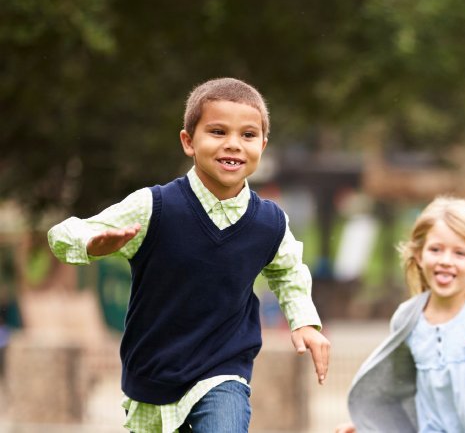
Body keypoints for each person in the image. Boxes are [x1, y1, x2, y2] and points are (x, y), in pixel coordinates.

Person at [47, 78, 330, 432]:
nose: (233, 145)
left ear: (263, 144)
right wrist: (91, 244)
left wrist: (304, 321)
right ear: (188, 141)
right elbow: (64, 233)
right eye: (217, 131)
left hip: (224, 370)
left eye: (248, 135)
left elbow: (288, 272)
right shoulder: (155, 206)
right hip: (152, 372)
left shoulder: (269, 222)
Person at [339, 197, 465, 433]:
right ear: (419, 255)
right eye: (435, 249)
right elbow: (406, 390)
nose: (445, 261)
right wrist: (370, 425)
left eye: (459, 253)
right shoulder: (407, 318)